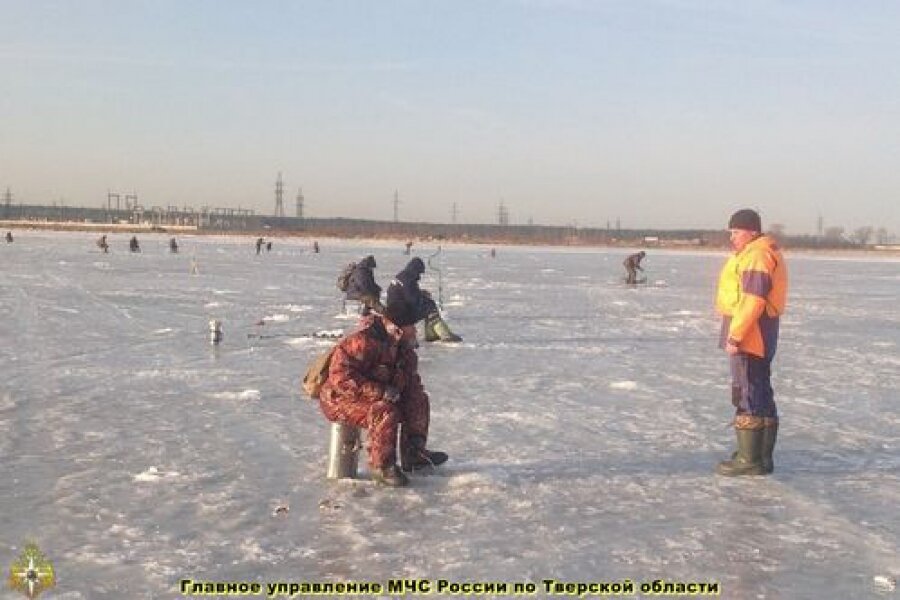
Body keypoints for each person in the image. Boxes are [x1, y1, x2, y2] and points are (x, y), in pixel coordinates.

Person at [318, 296, 448, 487]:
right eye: (412, 326)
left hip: (378, 395)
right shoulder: (361, 342)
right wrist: (379, 391)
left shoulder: (404, 349)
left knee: (418, 399)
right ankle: (382, 466)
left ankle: (414, 453)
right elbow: (340, 378)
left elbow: (411, 382)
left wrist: (411, 397)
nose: (416, 331)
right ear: (397, 327)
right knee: (384, 410)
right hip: (339, 399)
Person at [714, 209, 788, 476]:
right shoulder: (759, 251)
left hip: (750, 333)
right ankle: (760, 455)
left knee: (748, 390)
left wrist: (735, 336)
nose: (732, 237)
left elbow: (753, 300)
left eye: (736, 232)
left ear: (752, 231)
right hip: (760, 330)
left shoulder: (756, 255)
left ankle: (749, 459)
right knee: (760, 388)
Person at [387, 257, 462, 343]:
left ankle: (432, 334)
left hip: (394, 310)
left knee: (427, 304)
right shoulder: (408, 280)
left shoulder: (402, 276)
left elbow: (407, 294)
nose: (419, 276)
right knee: (430, 307)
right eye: (419, 272)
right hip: (400, 314)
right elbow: (412, 299)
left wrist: (420, 294)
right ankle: (444, 334)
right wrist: (423, 297)